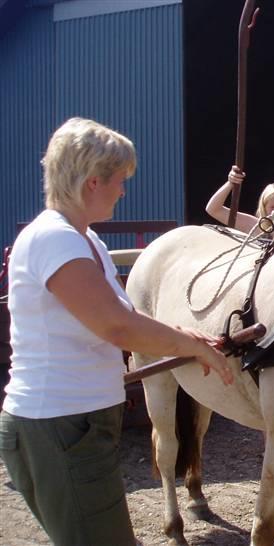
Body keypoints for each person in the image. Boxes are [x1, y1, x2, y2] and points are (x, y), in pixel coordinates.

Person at [0, 117, 234, 546]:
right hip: (61, 426)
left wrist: (188, 336)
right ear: (92, 182)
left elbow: (121, 321)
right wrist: (191, 345)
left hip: (78, 425)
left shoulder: (88, 242)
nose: (123, 191)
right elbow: (115, 325)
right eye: (119, 181)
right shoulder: (55, 240)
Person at [205, 165, 274, 236]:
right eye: (273, 207)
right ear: (264, 207)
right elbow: (213, 209)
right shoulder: (254, 226)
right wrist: (231, 183)